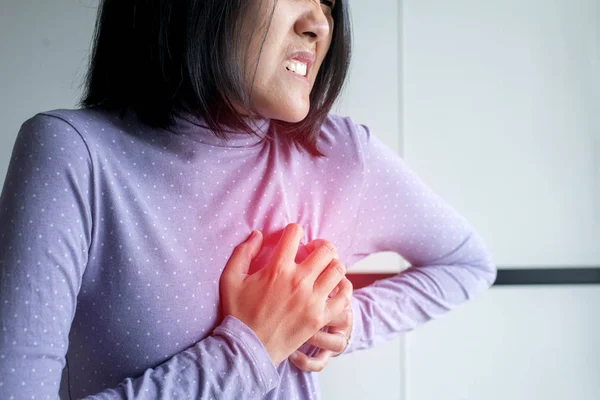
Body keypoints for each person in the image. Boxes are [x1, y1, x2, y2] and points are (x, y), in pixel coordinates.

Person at [0, 0, 497, 398]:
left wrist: (341, 325)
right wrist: (249, 349)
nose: (319, 22)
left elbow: (466, 264)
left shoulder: (340, 155)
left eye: (327, 3)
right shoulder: (73, 155)